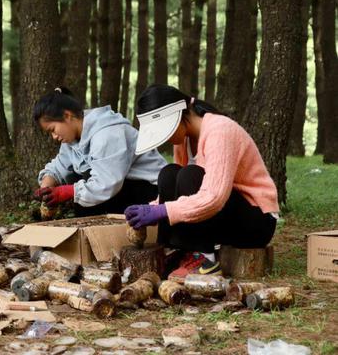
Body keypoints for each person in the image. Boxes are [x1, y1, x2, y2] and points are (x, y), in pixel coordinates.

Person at [125, 84, 279, 280]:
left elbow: (213, 197)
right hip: (222, 214)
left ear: (180, 116)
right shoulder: (184, 140)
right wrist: (150, 209)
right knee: (169, 173)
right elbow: (177, 191)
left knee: (189, 175)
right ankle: (173, 250)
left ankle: (203, 257)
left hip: (256, 220)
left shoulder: (220, 131)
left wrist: (163, 211)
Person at [33, 87, 167, 218]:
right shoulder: (71, 140)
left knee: (87, 201)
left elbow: (106, 184)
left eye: (53, 129)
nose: (54, 137)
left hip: (152, 191)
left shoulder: (107, 134)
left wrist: (67, 191)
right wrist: (46, 188)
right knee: (84, 198)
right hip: (121, 188)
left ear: (67, 116)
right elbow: (59, 167)